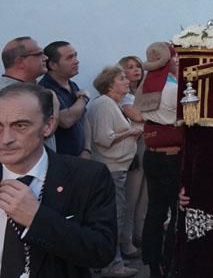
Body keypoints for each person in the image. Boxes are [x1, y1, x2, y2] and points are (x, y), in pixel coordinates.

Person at [0, 82, 116, 275]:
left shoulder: (88, 176)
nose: (6, 139)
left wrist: (37, 219)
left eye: (20, 125)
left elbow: (101, 251)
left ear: (48, 126)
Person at [87, 65, 143, 277]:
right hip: (111, 168)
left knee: (116, 214)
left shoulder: (112, 104)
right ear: (110, 84)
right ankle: (112, 265)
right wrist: (130, 133)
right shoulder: (104, 105)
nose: (127, 80)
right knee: (114, 216)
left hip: (118, 167)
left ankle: (111, 260)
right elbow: (103, 138)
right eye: (121, 78)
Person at [136, 42, 183, 278]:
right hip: (171, 156)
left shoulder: (145, 84)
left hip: (152, 153)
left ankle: (152, 263)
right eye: (175, 58)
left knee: (155, 210)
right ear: (169, 60)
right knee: (175, 210)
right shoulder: (173, 88)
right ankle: (169, 260)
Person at [0, 36, 59, 151]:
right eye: (39, 54)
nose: (45, 58)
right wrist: (54, 105)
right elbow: (44, 131)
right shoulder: (8, 95)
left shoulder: (33, 89)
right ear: (20, 62)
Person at [39, 40, 90, 157]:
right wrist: (84, 98)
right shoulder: (45, 89)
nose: (76, 61)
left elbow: (84, 119)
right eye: (69, 58)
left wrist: (87, 149)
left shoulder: (73, 85)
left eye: (76, 56)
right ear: (53, 65)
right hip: (60, 160)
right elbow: (65, 121)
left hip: (80, 159)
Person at [118, 55, 146, 257]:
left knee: (145, 196)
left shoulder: (141, 92)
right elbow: (138, 116)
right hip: (135, 147)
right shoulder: (126, 97)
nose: (136, 70)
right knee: (131, 196)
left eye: (138, 66)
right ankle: (125, 241)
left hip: (148, 145)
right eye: (130, 67)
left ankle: (140, 234)